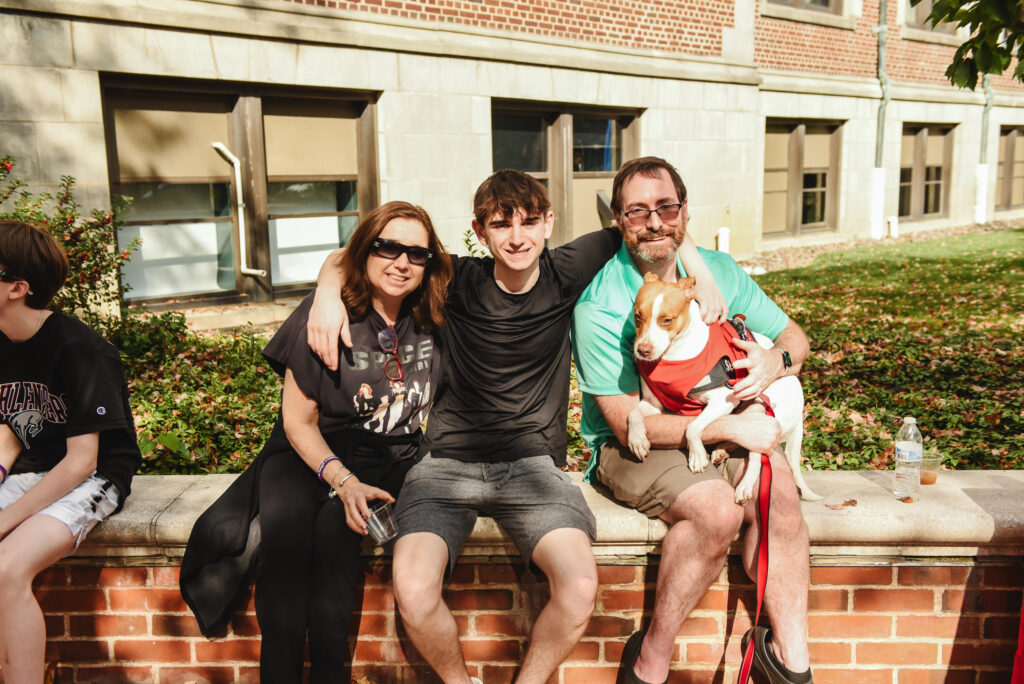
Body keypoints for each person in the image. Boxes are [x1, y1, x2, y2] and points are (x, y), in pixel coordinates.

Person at [306, 169, 725, 684]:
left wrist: (699, 271)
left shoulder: (567, 269)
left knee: (577, 588)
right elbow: (359, 254)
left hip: (532, 469)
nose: (518, 236)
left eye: (529, 221)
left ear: (549, 222)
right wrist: (327, 291)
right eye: (501, 225)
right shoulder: (454, 276)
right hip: (444, 466)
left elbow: (655, 225)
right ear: (480, 232)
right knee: (412, 589)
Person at [182, 202, 452, 684]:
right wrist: (344, 481)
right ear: (366, 251)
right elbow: (297, 422)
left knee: (335, 542)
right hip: (308, 452)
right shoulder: (327, 314)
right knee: (285, 545)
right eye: (387, 247)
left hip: (390, 456)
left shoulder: (433, 315)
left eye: (416, 253)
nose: (402, 262)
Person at [570, 157, 814, 684]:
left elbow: (796, 336)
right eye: (638, 211)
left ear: (684, 212)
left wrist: (777, 362)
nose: (655, 222)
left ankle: (791, 662)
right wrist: (727, 429)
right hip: (637, 443)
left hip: (724, 421)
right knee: (715, 511)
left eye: (666, 207)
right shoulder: (602, 304)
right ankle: (652, 659)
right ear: (619, 220)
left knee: (782, 498)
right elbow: (621, 422)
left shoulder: (719, 272)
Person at [0, 219, 141, 683]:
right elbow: (16, 422)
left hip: (93, 476)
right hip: (36, 467)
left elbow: (82, 460)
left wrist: (6, 517)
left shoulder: (82, 351)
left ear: (17, 287)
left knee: (6, 569)